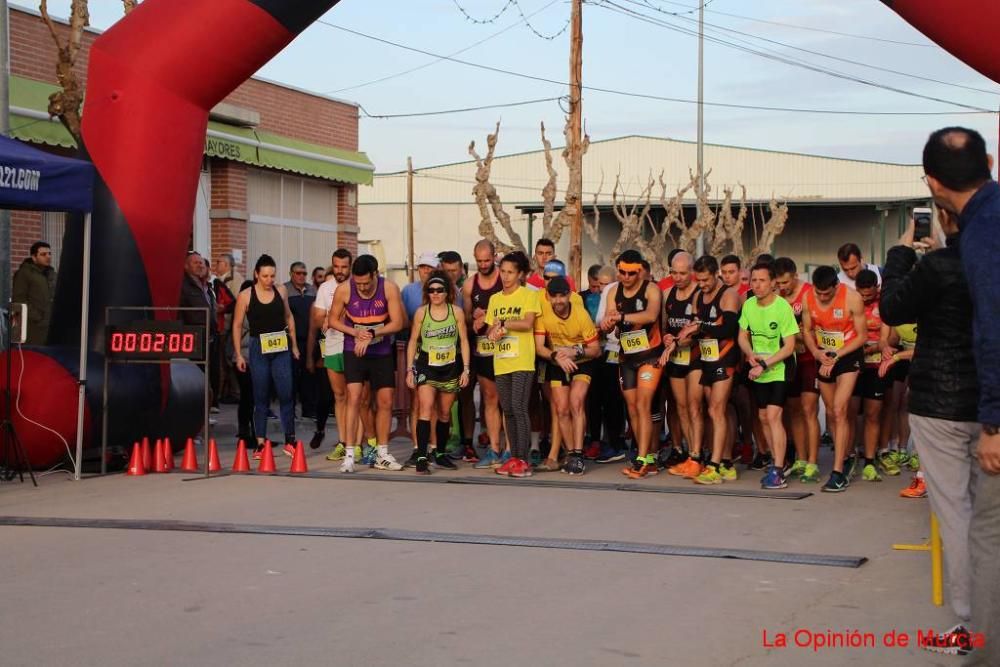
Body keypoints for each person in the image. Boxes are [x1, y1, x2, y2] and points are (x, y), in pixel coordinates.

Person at [921, 126, 1000, 662]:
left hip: (971, 408)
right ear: (990, 161)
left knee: (984, 532)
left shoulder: (984, 234)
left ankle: (981, 644)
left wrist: (995, 425)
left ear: (932, 184)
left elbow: (994, 328)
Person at [881, 208, 978, 641]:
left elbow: (891, 306)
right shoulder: (983, 259)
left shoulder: (942, 265)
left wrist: (902, 249)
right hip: (984, 398)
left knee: (956, 514)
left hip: (943, 401)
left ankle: (970, 625)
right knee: (984, 515)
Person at [328, 254, 406, 473]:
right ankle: (350, 453)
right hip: (354, 349)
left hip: (381, 350)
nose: (361, 287)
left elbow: (398, 322)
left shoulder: (389, 288)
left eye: (366, 283)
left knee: (385, 401)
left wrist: (372, 333)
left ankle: (382, 453)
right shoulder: (345, 289)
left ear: (375, 274)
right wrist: (355, 332)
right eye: (358, 283)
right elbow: (333, 319)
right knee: (354, 398)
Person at [801, 265, 866, 493]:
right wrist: (818, 353)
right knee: (831, 411)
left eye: (826, 294)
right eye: (818, 293)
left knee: (839, 409)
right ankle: (847, 452)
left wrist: (838, 354)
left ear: (836, 287)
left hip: (847, 354)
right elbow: (807, 330)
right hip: (824, 355)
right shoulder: (809, 298)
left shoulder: (852, 298)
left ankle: (838, 471)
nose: (822, 297)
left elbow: (862, 336)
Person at [601, 249, 664, 479]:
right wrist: (609, 324)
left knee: (644, 404)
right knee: (632, 407)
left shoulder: (651, 289)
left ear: (640, 272)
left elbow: (650, 315)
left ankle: (644, 457)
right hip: (627, 357)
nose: (626, 277)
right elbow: (610, 320)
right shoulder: (613, 291)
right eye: (622, 272)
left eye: (631, 273)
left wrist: (621, 318)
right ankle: (643, 453)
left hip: (650, 355)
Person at [231, 254, 300, 458]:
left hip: (281, 347)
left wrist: (294, 345)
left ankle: (290, 439)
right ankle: (260, 443)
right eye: (265, 276)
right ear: (256, 275)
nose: (269, 280)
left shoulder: (281, 290)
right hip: (258, 347)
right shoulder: (246, 295)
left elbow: (289, 317)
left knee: (286, 393)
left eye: (272, 275)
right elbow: (236, 325)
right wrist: (238, 354)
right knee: (260, 396)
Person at [738, 262, 799, 489]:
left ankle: (778, 469)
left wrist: (764, 364)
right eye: (753, 280)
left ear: (773, 283)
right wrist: (750, 353)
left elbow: (789, 347)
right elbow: (742, 336)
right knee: (763, 417)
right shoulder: (749, 305)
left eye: (762, 280)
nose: (757, 285)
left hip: (780, 368)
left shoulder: (782, 307)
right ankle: (777, 461)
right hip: (759, 368)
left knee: (773, 415)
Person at [680, 255, 741, 485]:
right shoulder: (698, 296)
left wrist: (700, 327)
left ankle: (715, 465)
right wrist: (681, 337)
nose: (702, 284)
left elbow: (728, 328)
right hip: (707, 356)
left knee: (717, 409)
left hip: (726, 357)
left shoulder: (729, 295)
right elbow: (695, 327)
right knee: (714, 411)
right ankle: (725, 462)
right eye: (699, 280)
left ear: (716, 274)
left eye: (706, 280)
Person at [405, 271, 471, 474]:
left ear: (447, 292)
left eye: (439, 290)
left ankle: (440, 453)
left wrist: (466, 369)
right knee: (425, 408)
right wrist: (410, 369)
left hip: (450, 367)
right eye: (431, 290)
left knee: (444, 413)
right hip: (427, 366)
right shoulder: (421, 313)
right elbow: (413, 341)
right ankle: (422, 455)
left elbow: (464, 341)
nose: (435, 294)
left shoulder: (456, 312)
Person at [534, 276, 601, 475]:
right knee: (561, 409)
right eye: (553, 297)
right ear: (548, 297)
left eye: (562, 296)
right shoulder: (544, 314)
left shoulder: (581, 314)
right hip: (558, 363)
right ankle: (572, 453)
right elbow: (539, 347)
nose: (558, 301)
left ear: (569, 295)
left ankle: (579, 454)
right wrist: (555, 355)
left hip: (583, 363)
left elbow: (596, 349)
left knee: (576, 402)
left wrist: (576, 351)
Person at [485, 251, 541, 478]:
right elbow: (490, 328)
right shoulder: (495, 299)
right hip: (502, 362)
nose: (506, 277)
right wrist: (493, 333)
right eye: (503, 271)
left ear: (520, 275)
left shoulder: (528, 295)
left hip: (522, 361)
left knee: (519, 408)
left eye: (511, 273)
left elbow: (527, 322)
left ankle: (523, 459)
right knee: (507, 410)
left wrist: (505, 323)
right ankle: (513, 457)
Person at [775, 257, 821, 483]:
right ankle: (801, 459)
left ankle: (813, 461)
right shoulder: (778, 298)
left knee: (808, 408)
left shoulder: (809, 294)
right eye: (779, 284)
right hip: (790, 360)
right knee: (793, 410)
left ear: (795, 276)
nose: (782, 287)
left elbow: (814, 329)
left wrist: (801, 335)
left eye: (785, 283)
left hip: (810, 358)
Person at [308, 249, 357, 456]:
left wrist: (335, 317)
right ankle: (343, 442)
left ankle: (358, 444)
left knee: (358, 398)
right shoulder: (325, 288)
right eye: (336, 266)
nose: (340, 271)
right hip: (333, 346)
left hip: (355, 347)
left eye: (344, 267)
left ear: (350, 266)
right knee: (339, 396)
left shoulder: (358, 285)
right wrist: (330, 317)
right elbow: (318, 319)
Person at [463, 239, 505, 469]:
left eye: (487, 260)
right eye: (479, 261)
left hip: (506, 348)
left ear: (495, 256)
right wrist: (475, 318)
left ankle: (510, 448)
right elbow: (467, 321)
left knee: (506, 401)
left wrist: (488, 315)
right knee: (490, 398)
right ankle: (494, 448)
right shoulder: (470, 285)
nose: (483, 264)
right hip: (482, 349)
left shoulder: (504, 279)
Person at [662, 251, 704, 478]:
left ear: (692, 272)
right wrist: (668, 338)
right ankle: (690, 453)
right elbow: (665, 326)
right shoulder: (668, 294)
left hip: (695, 357)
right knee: (681, 407)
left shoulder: (699, 294)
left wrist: (679, 341)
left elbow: (697, 329)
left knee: (695, 406)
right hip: (676, 357)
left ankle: (698, 454)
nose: (677, 277)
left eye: (682, 273)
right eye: (673, 273)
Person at [849, 269, 893, 482]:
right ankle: (850, 454)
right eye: (862, 294)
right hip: (854, 363)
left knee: (873, 412)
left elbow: (885, 339)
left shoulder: (883, 303)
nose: (865, 299)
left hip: (876, 365)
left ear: (877, 288)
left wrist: (873, 347)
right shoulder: (850, 300)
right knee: (850, 411)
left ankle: (869, 460)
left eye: (869, 295)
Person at [179, 251, 222, 412]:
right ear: (186, 266)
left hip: (212, 336)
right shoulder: (183, 286)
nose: (200, 265)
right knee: (197, 374)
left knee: (213, 372)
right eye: (195, 263)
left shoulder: (208, 286)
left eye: (202, 263)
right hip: (194, 337)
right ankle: (196, 409)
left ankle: (211, 404)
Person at [285, 261, 317, 420]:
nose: (301, 276)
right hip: (291, 341)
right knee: (291, 377)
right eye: (298, 273)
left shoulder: (313, 290)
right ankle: (289, 410)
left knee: (309, 375)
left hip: (309, 340)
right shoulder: (285, 290)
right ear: (291, 274)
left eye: (304, 273)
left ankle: (309, 409)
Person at [11, 241, 55, 345]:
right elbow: (19, 299)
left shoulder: (52, 274)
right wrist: (38, 317)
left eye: (49, 253)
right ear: (34, 257)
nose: (48, 257)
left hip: (50, 328)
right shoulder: (24, 273)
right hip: (32, 328)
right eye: (43, 254)